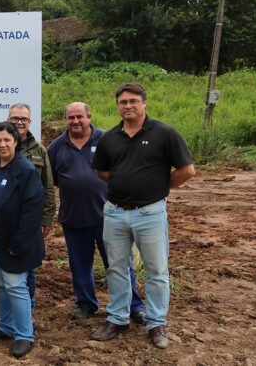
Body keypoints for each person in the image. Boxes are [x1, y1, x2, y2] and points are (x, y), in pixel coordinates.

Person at [90, 83, 195, 349]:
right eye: (123, 102)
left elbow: (187, 170)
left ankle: (156, 323)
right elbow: (101, 171)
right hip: (114, 213)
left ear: (144, 103)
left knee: (156, 270)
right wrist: (125, 181)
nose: (128, 106)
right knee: (116, 268)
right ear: (118, 105)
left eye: (133, 101)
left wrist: (161, 187)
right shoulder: (109, 137)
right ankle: (118, 319)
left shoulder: (164, 133)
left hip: (150, 213)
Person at [47, 103, 145, 322]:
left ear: (89, 116)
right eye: (70, 117)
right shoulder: (56, 146)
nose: (75, 121)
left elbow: (123, 171)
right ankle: (86, 304)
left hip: (109, 217)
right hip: (73, 217)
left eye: (79, 116)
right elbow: (51, 178)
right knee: (80, 264)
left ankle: (133, 305)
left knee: (119, 264)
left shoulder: (107, 140)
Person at [0, 122, 44, 357]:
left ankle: (24, 334)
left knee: (15, 286)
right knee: (2, 284)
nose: (2, 144)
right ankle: (6, 326)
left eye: (7, 140)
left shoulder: (25, 170)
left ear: (16, 142)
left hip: (14, 242)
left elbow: (33, 210)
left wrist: (20, 243)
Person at [0, 103, 55, 313]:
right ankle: (13, 320)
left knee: (27, 270)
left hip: (29, 219)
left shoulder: (39, 149)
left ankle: (27, 315)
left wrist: (47, 219)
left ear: (29, 122)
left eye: (24, 119)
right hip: (3, 222)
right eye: (15, 119)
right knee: (9, 277)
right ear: (8, 120)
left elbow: (47, 186)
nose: (19, 122)